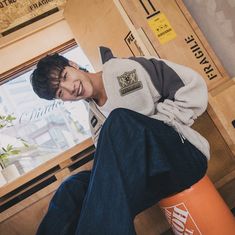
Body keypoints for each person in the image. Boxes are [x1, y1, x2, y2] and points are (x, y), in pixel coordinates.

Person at [31, 47, 209, 235]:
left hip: (183, 158)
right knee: (73, 187)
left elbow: (192, 87)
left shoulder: (128, 69)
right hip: (152, 180)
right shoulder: (95, 121)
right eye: (61, 93)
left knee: (119, 121)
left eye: (65, 76)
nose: (70, 88)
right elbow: (112, 173)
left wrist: (155, 124)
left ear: (73, 65)